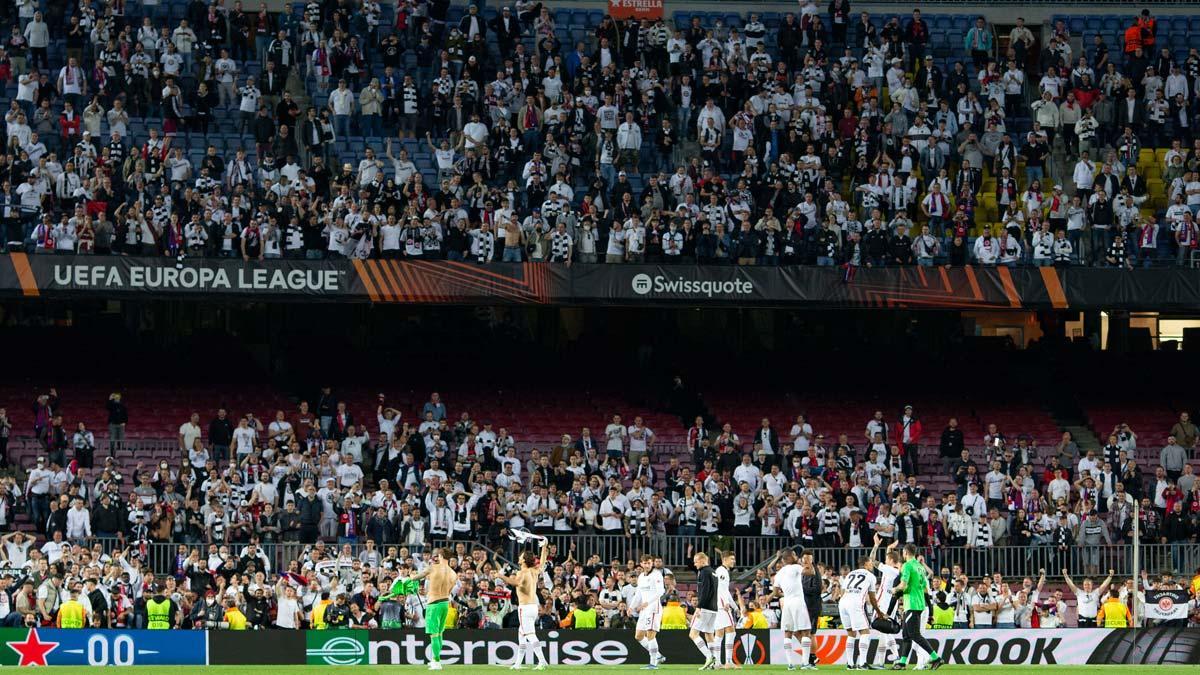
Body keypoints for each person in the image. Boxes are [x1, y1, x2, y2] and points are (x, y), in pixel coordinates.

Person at [494, 536, 550, 670]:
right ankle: (518, 663)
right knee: (522, 635)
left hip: (524, 608)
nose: (519, 557)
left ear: (524, 560)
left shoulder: (522, 572)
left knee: (530, 635)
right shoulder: (534, 571)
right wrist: (544, 547)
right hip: (533, 607)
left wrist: (500, 576)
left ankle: (542, 661)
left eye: (521, 556)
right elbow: (542, 563)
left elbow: (515, 583)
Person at [891, 545, 943, 670]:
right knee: (906, 635)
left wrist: (894, 589)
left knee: (914, 634)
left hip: (912, 604)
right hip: (919, 604)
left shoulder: (907, 566)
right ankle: (902, 663)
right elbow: (925, 589)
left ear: (905, 552)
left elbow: (903, 585)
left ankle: (936, 658)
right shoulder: (920, 567)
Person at [408, 547, 458, 670]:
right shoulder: (453, 573)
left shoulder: (433, 567)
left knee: (434, 635)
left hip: (434, 603)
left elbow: (414, 578)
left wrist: (411, 574)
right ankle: (436, 659)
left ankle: (436, 661)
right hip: (445, 603)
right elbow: (449, 590)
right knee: (440, 633)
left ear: (440, 555)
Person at [837, 557, 884, 671]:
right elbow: (872, 598)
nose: (872, 565)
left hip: (842, 603)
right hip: (855, 603)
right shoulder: (871, 576)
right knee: (865, 632)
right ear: (866, 564)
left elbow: (842, 592)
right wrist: (879, 612)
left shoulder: (850, 573)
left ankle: (850, 664)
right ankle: (863, 663)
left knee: (851, 633)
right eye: (871, 563)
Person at [772, 548, 815, 671]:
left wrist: (787, 592)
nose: (796, 556)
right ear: (790, 557)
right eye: (795, 555)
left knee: (788, 632)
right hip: (797, 602)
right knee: (806, 631)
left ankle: (790, 664)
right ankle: (805, 663)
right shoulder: (795, 567)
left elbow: (775, 593)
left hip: (787, 602)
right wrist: (807, 562)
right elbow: (810, 572)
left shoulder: (779, 574)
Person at [633, 553, 666, 669]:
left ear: (652, 563)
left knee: (650, 635)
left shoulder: (656, 575)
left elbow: (661, 591)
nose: (647, 565)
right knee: (639, 636)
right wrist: (631, 607)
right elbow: (638, 593)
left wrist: (648, 602)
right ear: (641, 564)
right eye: (645, 563)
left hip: (653, 608)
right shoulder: (641, 576)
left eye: (649, 563)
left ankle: (653, 663)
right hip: (644, 610)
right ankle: (658, 655)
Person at [690, 551, 719, 670]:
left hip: (705, 608)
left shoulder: (703, 572)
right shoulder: (713, 572)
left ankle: (709, 657)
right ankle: (714, 663)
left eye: (696, 561)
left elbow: (705, 591)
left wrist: (698, 607)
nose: (695, 564)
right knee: (709, 635)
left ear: (702, 561)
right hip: (714, 608)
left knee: (693, 634)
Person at [713, 550, 739, 668]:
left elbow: (725, 591)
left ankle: (717, 662)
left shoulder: (721, 571)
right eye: (731, 559)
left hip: (718, 605)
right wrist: (725, 604)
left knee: (719, 633)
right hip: (722, 606)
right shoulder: (722, 571)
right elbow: (719, 589)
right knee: (731, 631)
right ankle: (728, 661)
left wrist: (734, 606)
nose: (733, 561)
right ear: (724, 559)